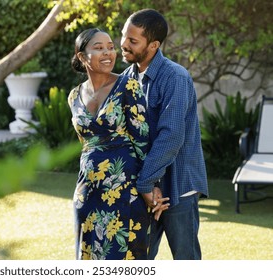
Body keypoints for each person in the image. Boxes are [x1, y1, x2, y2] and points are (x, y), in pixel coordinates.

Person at [68, 28, 169, 260]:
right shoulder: (74, 96)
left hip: (124, 191)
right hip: (87, 191)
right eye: (99, 47)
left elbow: (142, 142)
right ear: (83, 57)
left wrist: (149, 187)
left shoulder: (127, 86)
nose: (108, 52)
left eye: (110, 47)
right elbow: (85, 144)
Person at [120, 9, 209, 260]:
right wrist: (145, 186)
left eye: (133, 41)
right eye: (124, 36)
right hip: (144, 187)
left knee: (185, 260)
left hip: (177, 186)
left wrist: (147, 183)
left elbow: (171, 136)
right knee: (139, 258)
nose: (123, 44)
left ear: (154, 45)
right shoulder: (127, 79)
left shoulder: (175, 77)